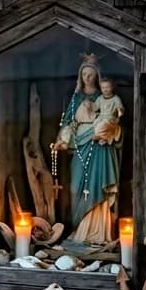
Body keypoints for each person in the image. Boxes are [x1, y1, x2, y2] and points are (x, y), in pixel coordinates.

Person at [53, 53, 121, 244]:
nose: (88, 78)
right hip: (79, 144)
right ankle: (78, 230)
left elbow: (113, 121)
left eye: (91, 75)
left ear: (97, 77)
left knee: (97, 186)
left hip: (99, 147)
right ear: (80, 77)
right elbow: (68, 123)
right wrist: (64, 140)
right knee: (75, 188)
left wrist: (103, 132)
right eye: (85, 75)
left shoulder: (104, 97)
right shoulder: (75, 98)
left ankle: (97, 234)